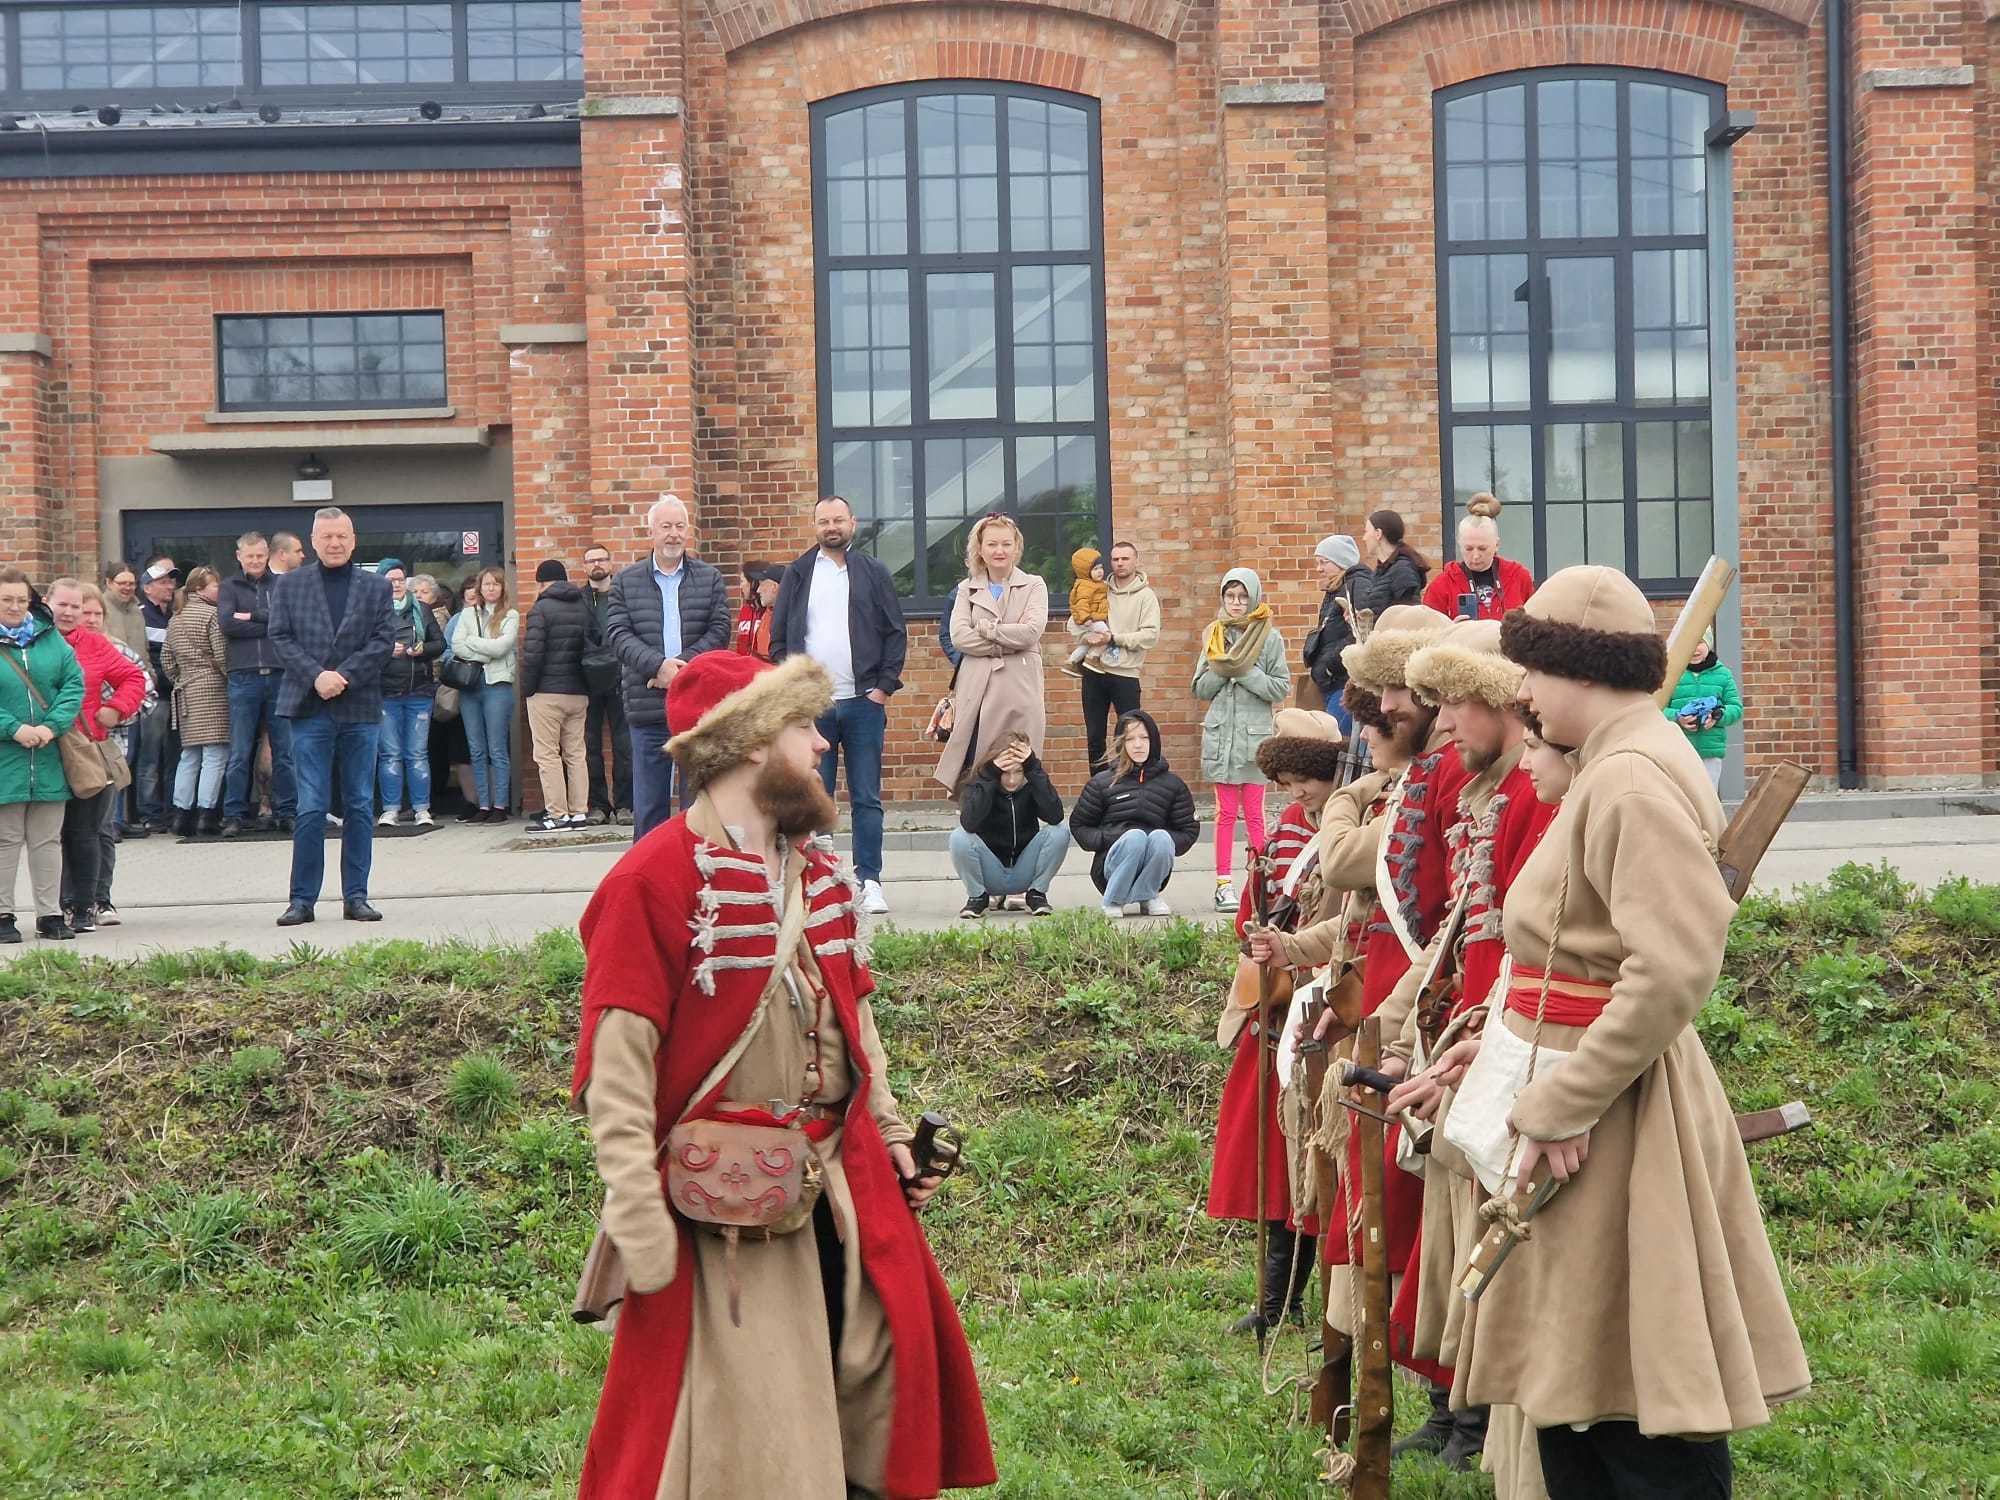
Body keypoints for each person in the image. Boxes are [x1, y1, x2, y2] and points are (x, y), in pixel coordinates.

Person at [569, 648, 996, 1499]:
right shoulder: (651, 880)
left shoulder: (817, 868)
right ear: (754, 742)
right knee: (759, 1431)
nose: (822, 743)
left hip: (843, 1179)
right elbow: (615, 1076)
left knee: (879, 1379)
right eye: (804, 726)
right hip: (730, 1209)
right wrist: (636, 1210)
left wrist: (892, 1130)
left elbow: (854, 1022)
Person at [1439, 567, 1809, 1498]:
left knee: (1635, 1403)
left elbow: (1673, 966)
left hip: (1614, 1117)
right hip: (1585, 1101)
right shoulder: (1608, 762)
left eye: (1530, 670)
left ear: (1576, 670)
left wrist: (1563, 1100)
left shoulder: (1632, 777)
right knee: (1582, 1390)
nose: (1519, 694)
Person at [1355, 618, 1555, 1477]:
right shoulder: (1483, 793)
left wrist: (1474, 1043)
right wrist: (1407, 1038)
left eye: (1456, 704)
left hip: (1513, 1042)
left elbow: (1524, 951)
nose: (1440, 722)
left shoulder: (1527, 799)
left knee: (1489, 1242)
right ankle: (1460, 1408)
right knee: (1448, 1237)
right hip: (1468, 1032)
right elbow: (1450, 937)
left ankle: (1481, 1421)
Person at [1205, 707, 1343, 1333]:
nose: (1295, 795)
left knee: (1315, 1163)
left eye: (1303, 780)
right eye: (1286, 783)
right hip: (1276, 1010)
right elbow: (1252, 919)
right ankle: (1275, 1302)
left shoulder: (1350, 830)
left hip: (1326, 1012)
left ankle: (1310, 1304)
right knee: (1274, 1163)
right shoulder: (1290, 827)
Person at [770, 495, 909, 916]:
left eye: (838, 520)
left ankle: (870, 881)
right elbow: (778, 639)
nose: (831, 527)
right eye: (823, 521)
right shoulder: (797, 573)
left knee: (866, 797)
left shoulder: (872, 572)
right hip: (815, 708)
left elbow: (895, 632)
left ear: (853, 522)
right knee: (814, 795)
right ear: (814, 525)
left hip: (864, 702)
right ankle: (820, 882)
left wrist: (883, 688)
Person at [268, 506, 395, 926]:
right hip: (309, 707)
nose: (335, 543)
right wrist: (316, 676)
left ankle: (356, 896)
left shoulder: (375, 588)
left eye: (342, 536)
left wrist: (343, 676)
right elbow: (280, 638)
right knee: (310, 806)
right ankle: (301, 899)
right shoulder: (289, 586)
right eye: (327, 537)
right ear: (314, 541)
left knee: (359, 804)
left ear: (353, 540)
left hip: (358, 705)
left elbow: (382, 642)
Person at [606, 494, 732, 840]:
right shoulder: (625, 581)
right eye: (666, 527)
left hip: (697, 707)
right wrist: (658, 667)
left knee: (699, 808)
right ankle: (648, 886)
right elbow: (618, 634)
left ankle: (696, 882)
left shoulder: (709, 578)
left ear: (687, 531)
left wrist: (681, 671)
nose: (673, 534)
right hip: (648, 709)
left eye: (679, 526)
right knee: (649, 808)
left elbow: (720, 630)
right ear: (651, 532)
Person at [44, 578, 145, 936]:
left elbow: (134, 678)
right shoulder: (30, 642)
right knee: (46, 836)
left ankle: (83, 906)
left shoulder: (95, 645)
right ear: (47, 603)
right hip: (41, 751)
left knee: (84, 832)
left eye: (77, 607)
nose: (70, 613)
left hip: (85, 749)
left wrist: (116, 708)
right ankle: (50, 910)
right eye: (64, 605)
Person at [1194, 568, 1291, 912]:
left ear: (1253, 597)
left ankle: (1262, 881)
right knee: (1223, 814)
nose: (1235, 603)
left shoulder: (1270, 638)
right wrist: (1221, 672)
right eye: (1230, 596)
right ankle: (1223, 885)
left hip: (1254, 741)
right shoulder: (1214, 636)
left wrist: (1245, 671)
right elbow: (1199, 687)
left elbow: (1280, 687)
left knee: (1254, 814)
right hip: (1222, 738)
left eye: (1242, 596)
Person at [934, 514, 1049, 791]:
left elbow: (1032, 632)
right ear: (980, 548)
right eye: (992, 544)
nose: (999, 551)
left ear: (1016, 548)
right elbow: (959, 637)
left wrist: (989, 631)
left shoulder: (1034, 584)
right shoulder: (965, 589)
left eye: (1006, 544)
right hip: (977, 690)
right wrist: (1010, 638)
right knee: (977, 770)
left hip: (1019, 691)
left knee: (1018, 768)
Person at [0, 569, 84, 943]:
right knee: (5, 839)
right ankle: (3, 914)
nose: (15, 606)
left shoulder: (51, 639)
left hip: (49, 756)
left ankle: (49, 914)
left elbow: (73, 685)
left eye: (21, 599)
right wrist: (13, 727)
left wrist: (51, 726)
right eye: (6, 600)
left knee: (47, 840)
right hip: (6, 758)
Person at [68, 586, 154, 926]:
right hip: (70, 749)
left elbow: (146, 693)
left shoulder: (118, 651)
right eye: (84, 612)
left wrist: (116, 711)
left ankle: (100, 899)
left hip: (108, 749)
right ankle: (71, 901)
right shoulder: (60, 648)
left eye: (96, 614)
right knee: (73, 829)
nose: (89, 619)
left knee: (101, 828)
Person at [1069, 710, 1199, 918]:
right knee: (1134, 837)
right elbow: (1079, 827)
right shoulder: (1102, 782)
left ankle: (1149, 896)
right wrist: (1110, 838)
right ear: (1121, 743)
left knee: (1160, 837)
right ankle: (1113, 900)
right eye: (1130, 739)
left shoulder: (1173, 784)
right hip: (1111, 867)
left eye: (1144, 738)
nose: (1138, 745)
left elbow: (1189, 831)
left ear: (1154, 741)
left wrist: (1152, 837)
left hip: (1153, 867)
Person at [218, 531, 295, 837]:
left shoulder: (283, 585)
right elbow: (227, 624)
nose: (254, 561)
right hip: (244, 675)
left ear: (268, 555)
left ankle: (287, 811)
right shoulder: (229, 587)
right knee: (238, 751)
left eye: (260, 555)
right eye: (249, 556)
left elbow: (286, 624)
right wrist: (267, 622)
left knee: (285, 750)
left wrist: (251, 616)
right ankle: (234, 815)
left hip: (279, 675)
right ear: (239, 556)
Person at [948, 731, 1068, 918]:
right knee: (959, 837)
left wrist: (1033, 768)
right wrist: (990, 776)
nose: (1012, 780)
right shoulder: (981, 782)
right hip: (991, 872)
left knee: (1060, 831)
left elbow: (1055, 816)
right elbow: (969, 824)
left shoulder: (1031, 783)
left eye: (1019, 772)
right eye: (1005, 773)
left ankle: (1036, 894)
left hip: (1023, 870)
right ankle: (977, 897)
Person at [521, 558, 600, 833]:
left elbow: (532, 655)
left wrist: (527, 689)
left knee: (547, 755)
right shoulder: (583, 606)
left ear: (541, 582)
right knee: (577, 754)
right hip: (579, 691)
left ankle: (557, 815)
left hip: (546, 692)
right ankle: (579, 813)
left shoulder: (540, 609)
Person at [1073, 540, 1159, 773]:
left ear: (1135, 560)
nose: (1119, 563)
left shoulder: (1146, 596)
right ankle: (1098, 791)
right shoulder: (1098, 588)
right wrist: (1086, 637)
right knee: (1094, 737)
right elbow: (1076, 621)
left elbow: (1150, 636)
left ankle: (1129, 788)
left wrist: (1113, 638)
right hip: (1093, 672)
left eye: (1125, 558)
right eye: (1115, 559)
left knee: (1129, 736)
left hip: (1125, 675)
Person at [162, 566, 231, 839]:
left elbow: (167, 660)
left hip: (185, 690)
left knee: (189, 756)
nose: (220, 591)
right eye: (216, 586)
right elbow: (223, 655)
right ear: (199, 589)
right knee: (215, 754)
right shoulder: (213, 615)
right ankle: (206, 814)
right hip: (212, 688)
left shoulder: (175, 619)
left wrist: (182, 677)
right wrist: (229, 678)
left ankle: (181, 814)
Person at [375, 559, 444, 828]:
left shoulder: (423, 610)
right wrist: (384, 649)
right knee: (390, 754)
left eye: (400, 580)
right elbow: (359, 647)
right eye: (390, 580)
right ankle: (390, 809)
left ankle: (421, 809)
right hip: (385, 692)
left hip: (419, 691)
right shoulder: (372, 613)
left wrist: (422, 649)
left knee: (417, 754)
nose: (396, 585)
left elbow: (440, 643)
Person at [450, 567, 520, 824]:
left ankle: (500, 805)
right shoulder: (467, 614)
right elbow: (457, 645)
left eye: (495, 584)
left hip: (497, 687)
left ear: (503, 588)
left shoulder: (510, 615)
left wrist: (475, 645)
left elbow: (503, 647)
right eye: (486, 584)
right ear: (479, 588)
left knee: (497, 748)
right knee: (476, 749)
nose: (491, 588)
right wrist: (486, 651)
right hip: (471, 687)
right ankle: (483, 803)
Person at [579, 543, 633, 826]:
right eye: (591, 560)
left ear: (611, 563)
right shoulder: (578, 599)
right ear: (584, 567)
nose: (596, 564)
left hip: (622, 678)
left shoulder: (623, 596)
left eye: (601, 559)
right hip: (587, 681)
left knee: (625, 746)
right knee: (589, 746)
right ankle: (598, 805)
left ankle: (625, 805)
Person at [1424, 494, 1536, 622]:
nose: (1475, 556)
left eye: (1482, 548)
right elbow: (1428, 635)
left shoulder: (1519, 577)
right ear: (1459, 545)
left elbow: (1536, 627)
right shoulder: (1441, 585)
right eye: (1469, 549)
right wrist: (1450, 631)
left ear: (1497, 545)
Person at [133, 556, 180, 834]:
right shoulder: (140, 615)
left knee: (175, 755)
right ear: (147, 587)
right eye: (162, 582)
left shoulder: (175, 615)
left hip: (176, 696)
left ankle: (172, 810)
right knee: (150, 757)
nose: (169, 586)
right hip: (155, 697)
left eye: (171, 581)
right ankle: (149, 813)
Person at [1666, 627, 1743, 790]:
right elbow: (1656, 708)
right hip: (1678, 749)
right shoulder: (1671, 674)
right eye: (1690, 643)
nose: (1694, 649)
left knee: (1708, 796)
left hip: (1710, 751)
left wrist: (1718, 715)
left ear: (1709, 644)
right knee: (1681, 796)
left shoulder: (1723, 674)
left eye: (1699, 642)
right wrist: (1677, 717)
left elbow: (1735, 708)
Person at [1303, 534, 1366, 727]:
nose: (1319, 568)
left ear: (1341, 562)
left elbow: (1358, 632)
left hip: (1342, 683)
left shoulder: (1355, 586)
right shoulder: (1338, 588)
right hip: (1334, 683)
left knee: (1340, 742)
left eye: (1324, 562)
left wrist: (1330, 666)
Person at [1351, 510, 1429, 621]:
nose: (1364, 538)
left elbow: (1408, 618)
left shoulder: (1403, 570)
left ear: (1378, 534)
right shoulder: (1381, 571)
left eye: (1366, 531)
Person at [1059, 546, 1110, 677]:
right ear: (1085, 571)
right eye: (1095, 569)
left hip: (1092, 618)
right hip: (1089, 619)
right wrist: (1086, 617)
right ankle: (1093, 658)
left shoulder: (1097, 584)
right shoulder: (1085, 585)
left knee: (1087, 644)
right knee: (1106, 636)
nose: (1099, 572)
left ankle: (1071, 662)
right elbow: (1081, 602)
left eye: (1101, 568)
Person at [731, 560, 781, 662]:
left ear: (752, 583)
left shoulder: (769, 610)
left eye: (742, 581)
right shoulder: (745, 610)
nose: (741, 586)